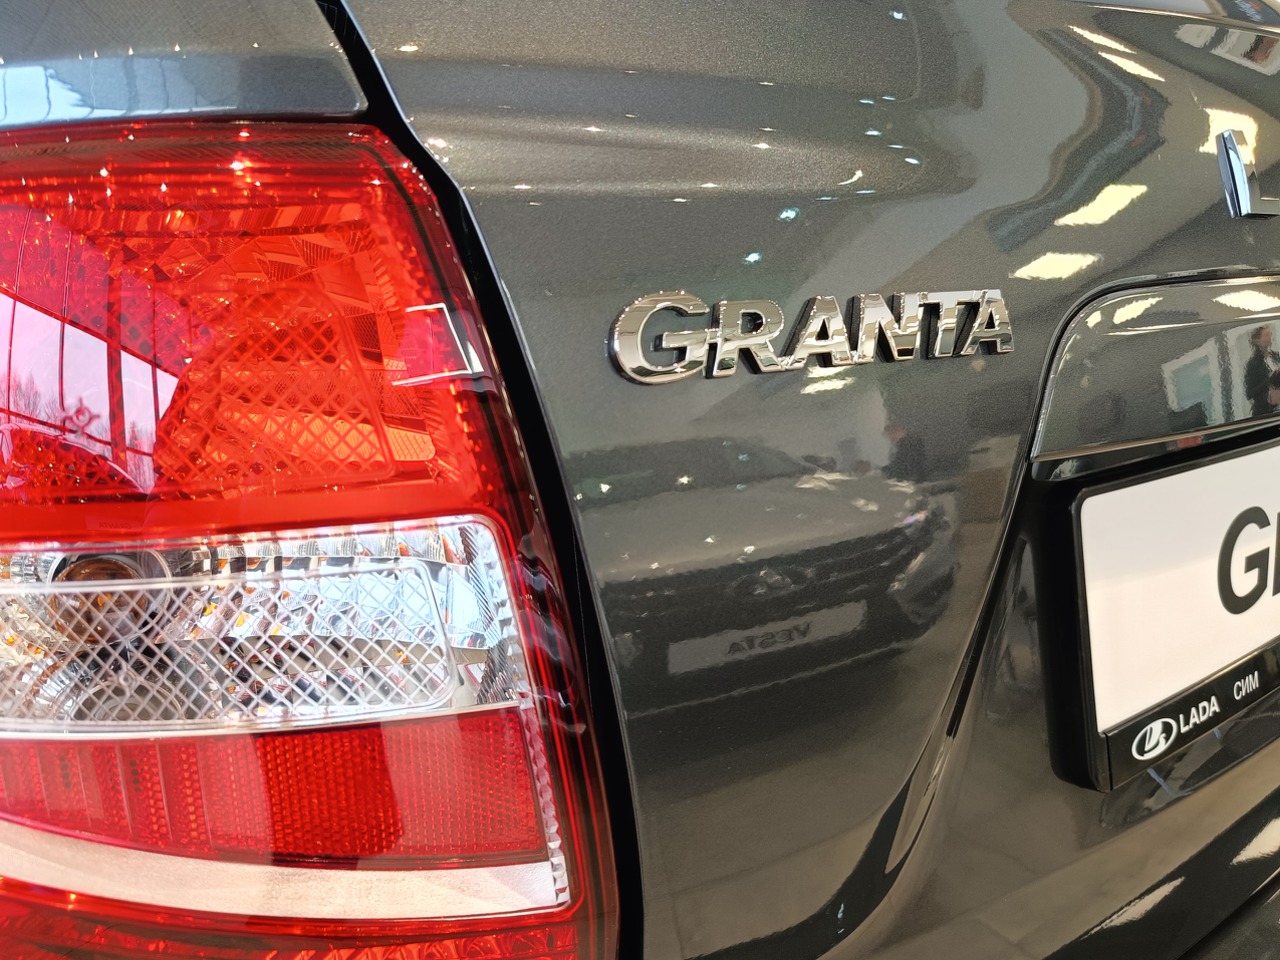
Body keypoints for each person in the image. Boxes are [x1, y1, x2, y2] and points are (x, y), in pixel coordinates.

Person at [1244, 325, 1280, 417]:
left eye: (1270, 334)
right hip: (1265, 413)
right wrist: (1270, 379)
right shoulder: (1253, 364)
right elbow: (1250, 393)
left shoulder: (1276, 356)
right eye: (1266, 335)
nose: (1270, 338)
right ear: (1257, 341)